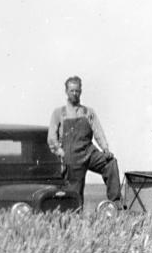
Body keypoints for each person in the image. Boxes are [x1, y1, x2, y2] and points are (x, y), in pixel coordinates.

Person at [47, 76, 121, 208]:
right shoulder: (59, 113)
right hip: (71, 157)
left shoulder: (88, 112)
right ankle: (75, 220)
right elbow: (51, 138)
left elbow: (98, 132)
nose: (75, 94)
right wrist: (61, 153)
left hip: (89, 152)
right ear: (66, 92)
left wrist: (105, 149)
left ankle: (115, 204)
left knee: (110, 163)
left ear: (81, 91)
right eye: (72, 91)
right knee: (75, 197)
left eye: (77, 91)